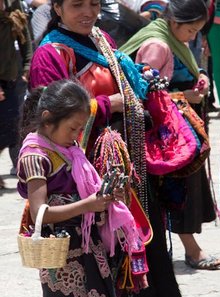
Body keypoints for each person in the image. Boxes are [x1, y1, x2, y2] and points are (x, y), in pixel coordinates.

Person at [28, 0, 181, 296]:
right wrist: (103, 105)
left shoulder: (101, 38)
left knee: (147, 248)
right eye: (77, 5)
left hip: (126, 165)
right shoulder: (50, 55)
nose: (88, 12)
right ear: (57, 8)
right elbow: (48, 122)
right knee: (108, 260)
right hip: (87, 178)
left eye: (94, 4)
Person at [120, 0, 220, 271]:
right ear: (175, 23)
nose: (192, 37)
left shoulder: (170, 38)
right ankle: (189, 250)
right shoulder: (158, 45)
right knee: (176, 189)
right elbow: (141, 93)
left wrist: (199, 74)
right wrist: (182, 96)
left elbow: (179, 70)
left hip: (173, 127)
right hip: (161, 134)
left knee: (178, 188)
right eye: (191, 31)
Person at [17, 80, 117, 296]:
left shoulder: (69, 149)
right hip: (62, 251)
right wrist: (88, 204)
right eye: (72, 128)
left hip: (88, 243)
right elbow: (40, 214)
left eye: (80, 129)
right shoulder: (35, 156)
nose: (76, 135)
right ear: (47, 118)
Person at [0, 0, 33, 187]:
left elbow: (25, 35)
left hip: (10, 77)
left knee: (12, 129)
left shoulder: (13, 4)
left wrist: (27, 65)